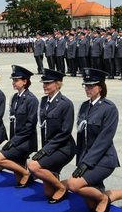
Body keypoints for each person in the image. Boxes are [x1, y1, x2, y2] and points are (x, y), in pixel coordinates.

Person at [64, 68, 122, 211]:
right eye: (86, 85)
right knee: (92, 205)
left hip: (104, 160)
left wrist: (86, 163)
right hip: (87, 160)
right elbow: (81, 139)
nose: (87, 88)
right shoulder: (84, 106)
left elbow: (104, 140)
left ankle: (104, 197)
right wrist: (80, 162)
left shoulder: (109, 108)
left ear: (100, 87)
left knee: (73, 185)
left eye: (91, 85)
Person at [27, 69, 75, 204]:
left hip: (63, 148)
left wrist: (45, 151)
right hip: (50, 147)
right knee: (48, 193)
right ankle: (55, 176)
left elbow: (65, 132)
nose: (45, 86)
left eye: (48, 83)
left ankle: (62, 187)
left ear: (58, 84)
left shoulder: (66, 103)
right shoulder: (43, 101)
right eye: (44, 83)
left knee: (33, 166)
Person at [0, 65, 39, 187]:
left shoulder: (31, 100)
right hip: (16, 139)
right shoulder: (15, 98)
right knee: (18, 178)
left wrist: (14, 142)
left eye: (16, 80)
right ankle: (24, 172)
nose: (13, 83)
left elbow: (30, 126)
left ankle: (26, 173)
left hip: (25, 141)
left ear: (25, 81)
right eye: (13, 80)